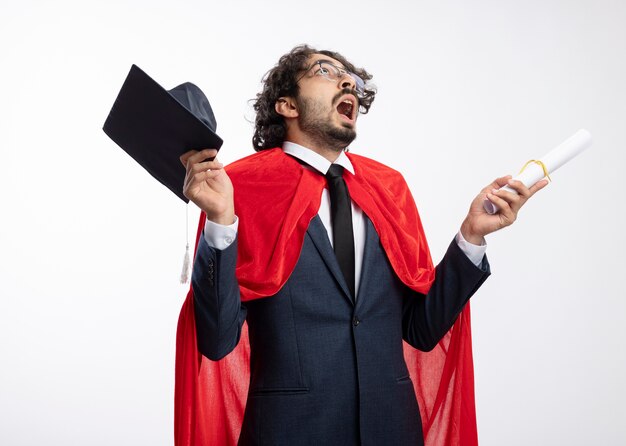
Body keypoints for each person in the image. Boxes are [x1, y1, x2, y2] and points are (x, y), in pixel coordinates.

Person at [177, 45, 547, 446]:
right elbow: (216, 340)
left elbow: (421, 330)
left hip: (392, 429)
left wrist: (472, 236)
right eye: (325, 70)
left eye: (352, 78)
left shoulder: (389, 187)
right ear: (287, 104)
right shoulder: (240, 186)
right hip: (289, 432)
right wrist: (218, 222)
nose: (347, 80)